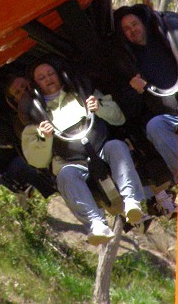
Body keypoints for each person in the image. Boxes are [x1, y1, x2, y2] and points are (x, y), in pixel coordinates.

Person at [21, 60, 149, 245]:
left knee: (117, 146)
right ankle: (96, 223)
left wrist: (100, 108)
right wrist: (46, 138)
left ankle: (132, 201)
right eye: (42, 77)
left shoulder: (81, 94)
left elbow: (119, 118)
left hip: (101, 149)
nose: (48, 79)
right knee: (65, 175)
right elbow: (37, 160)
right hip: (72, 163)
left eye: (51, 74)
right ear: (36, 85)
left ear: (59, 75)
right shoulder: (35, 118)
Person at [112, 4, 178, 217]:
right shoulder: (130, 61)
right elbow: (130, 110)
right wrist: (137, 91)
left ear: (143, 23)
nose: (133, 30)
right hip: (169, 115)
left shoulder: (166, 38)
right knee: (154, 126)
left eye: (134, 24)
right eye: (127, 29)